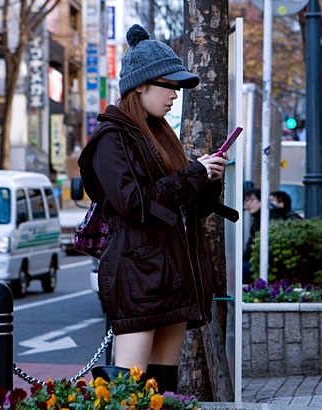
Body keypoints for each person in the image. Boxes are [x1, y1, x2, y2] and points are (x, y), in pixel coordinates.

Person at [77, 24, 234, 392]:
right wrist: (193, 173)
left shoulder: (161, 136)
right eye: (169, 86)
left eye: (177, 88)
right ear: (140, 86)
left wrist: (208, 177)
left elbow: (186, 206)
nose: (175, 96)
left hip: (171, 275)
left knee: (162, 388)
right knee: (129, 389)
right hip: (137, 276)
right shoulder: (111, 139)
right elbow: (134, 203)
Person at [242, 188, 283, 283]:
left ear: (261, 201)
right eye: (246, 201)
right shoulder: (259, 217)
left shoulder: (268, 217)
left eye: (252, 200)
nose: (248, 204)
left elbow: (254, 244)